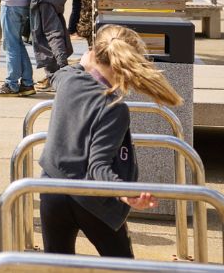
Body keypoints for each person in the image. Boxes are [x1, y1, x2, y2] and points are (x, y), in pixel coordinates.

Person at [39, 24, 182, 257]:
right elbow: (98, 167)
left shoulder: (68, 81)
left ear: (93, 53)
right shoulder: (114, 108)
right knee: (121, 263)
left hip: (52, 189)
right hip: (92, 202)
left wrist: (84, 64)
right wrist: (125, 193)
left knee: (57, 264)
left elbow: (59, 73)